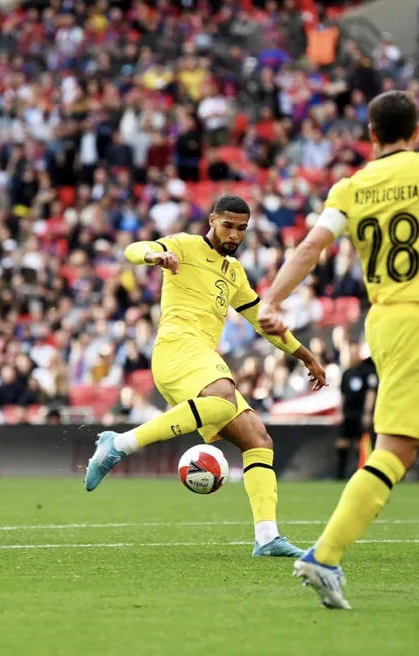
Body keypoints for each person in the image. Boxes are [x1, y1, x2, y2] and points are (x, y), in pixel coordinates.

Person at [258, 90, 419, 609]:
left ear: (371, 135)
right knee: (397, 448)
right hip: (418, 320)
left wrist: (272, 299)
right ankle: (324, 556)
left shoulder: (352, 187)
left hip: (384, 319)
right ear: (417, 131)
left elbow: (311, 246)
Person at [84, 195, 326, 558]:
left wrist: (305, 356)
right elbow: (134, 249)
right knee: (223, 397)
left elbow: (264, 323)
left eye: (241, 228)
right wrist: (153, 256)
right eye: (228, 225)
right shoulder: (183, 245)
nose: (234, 234)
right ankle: (119, 445)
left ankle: (267, 537)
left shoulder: (235, 272)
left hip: (198, 359)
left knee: (258, 440)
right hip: (177, 348)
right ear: (212, 220)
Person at [337, 342, 377, 480]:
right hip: (348, 412)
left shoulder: (367, 372)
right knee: (343, 442)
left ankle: (359, 472)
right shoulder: (346, 373)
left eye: (355, 353)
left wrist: (367, 412)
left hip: (360, 412)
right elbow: (342, 394)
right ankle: (340, 475)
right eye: (351, 353)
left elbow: (370, 393)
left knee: (360, 443)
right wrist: (340, 412)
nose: (353, 356)